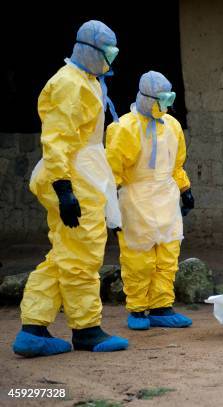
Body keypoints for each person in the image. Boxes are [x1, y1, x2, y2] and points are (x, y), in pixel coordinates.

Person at [13, 20, 128, 357]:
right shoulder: (69, 84)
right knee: (82, 256)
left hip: (83, 172)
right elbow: (58, 139)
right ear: (90, 49)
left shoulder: (87, 81)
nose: (111, 58)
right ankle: (86, 329)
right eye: (107, 51)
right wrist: (64, 188)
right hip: (74, 175)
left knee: (64, 255)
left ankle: (33, 329)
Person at [106, 71, 194, 331]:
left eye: (169, 99)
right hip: (136, 199)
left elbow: (177, 164)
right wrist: (110, 210)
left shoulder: (173, 126)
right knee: (138, 258)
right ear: (147, 98)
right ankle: (137, 308)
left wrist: (185, 189)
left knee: (167, 255)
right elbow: (112, 173)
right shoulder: (123, 128)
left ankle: (161, 307)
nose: (167, 105)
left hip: (166, 197)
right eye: (162, 99)